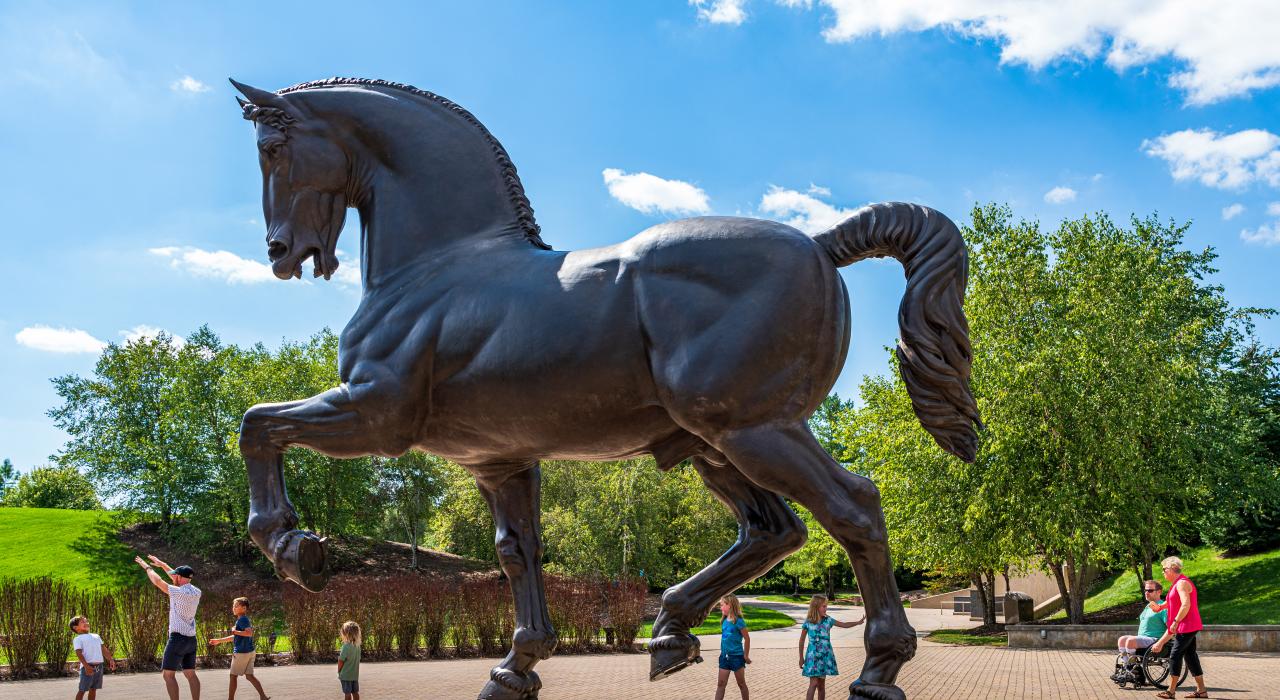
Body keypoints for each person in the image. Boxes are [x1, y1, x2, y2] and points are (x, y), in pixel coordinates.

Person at [135, 554, 202, 700]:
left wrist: (147, 567)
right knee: (190, 674)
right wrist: (163, 564)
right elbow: (176, 578)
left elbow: (157, 581)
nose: (173, 577)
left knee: (168, 675)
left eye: (175, 576)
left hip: (178, 639)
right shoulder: (196, 591)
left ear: (179, 577)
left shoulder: (177, 592)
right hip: (191, 640)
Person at [1151, 556, 1208, 699]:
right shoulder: (1177, 583)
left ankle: (1170, 691)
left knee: (1175, 655)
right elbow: (1172, 601)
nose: (1163, 572)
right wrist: (1160, 607)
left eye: (1164, 569)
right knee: (1190, 656)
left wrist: (1176, 621)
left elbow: (1185, 604)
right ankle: (1202, 691)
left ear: (1171, 569)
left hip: (1186, 625)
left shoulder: (1182, 583)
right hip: (1187, 625)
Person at [798, 594, 865, 700]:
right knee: (813, 683)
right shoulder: (808, 622)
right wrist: (801, 658)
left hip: (825, 656)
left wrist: (857, 622)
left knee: (821, 685)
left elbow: (844, 624)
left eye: (826, 606)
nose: (826, 608)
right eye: (823, 606)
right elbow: (801, 641)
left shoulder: (828, 620)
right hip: (813, 657)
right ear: (816, 606)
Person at [208, 597, 270, 700]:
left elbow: (249, 633)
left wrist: (235, 631)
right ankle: (263, 697)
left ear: (244, 608)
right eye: (233, 606)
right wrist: (219, 641)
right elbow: (238, 636)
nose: (234, 608)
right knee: (249, 676)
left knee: (233, 676)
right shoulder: (243, 620)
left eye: (236, 606)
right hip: (250, 652)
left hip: (241, 653)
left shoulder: (242, 619)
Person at [1115, 580, 1168, 660]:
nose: (1146, 592)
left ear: (1159, 592)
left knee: (1130, 641)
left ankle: (1132, 667)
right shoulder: (1148, 606)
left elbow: (1170, 627)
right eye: (1145, 590)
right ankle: (1126, 666)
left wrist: (1161, 642)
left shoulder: (1163, 608)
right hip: (1143, 638)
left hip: (1155, 639)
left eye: (1150, 590)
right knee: (1122, 639)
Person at [70, 615, 116, 700]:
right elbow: (79, 653)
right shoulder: (78, 639)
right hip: (87, 667)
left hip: (99, 667)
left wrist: (111, 659)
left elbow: (103, 649)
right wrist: (86, 666)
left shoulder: (96, 636)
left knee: (93, 689)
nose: (86, 623)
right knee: (82, 690)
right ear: (76, 627)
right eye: (83, 622)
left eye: (86, 621)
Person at [715, 594, 750, 700]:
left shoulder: (738, 621)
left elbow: (747, 638)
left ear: (729, 605)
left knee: (741, 683)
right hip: (724, 657)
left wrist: (746, 655)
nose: (720, 607)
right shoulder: (724, 621)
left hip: (737, 657)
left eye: (722, 605)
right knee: (721, 684)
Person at [337, 620, 362, 700]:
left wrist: (339, 670)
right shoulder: (357, 646)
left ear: (346, 634)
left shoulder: (346, 646)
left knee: (347, 694)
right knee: (355, 692)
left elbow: (341, 660)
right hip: (354, 675)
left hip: (346, 675)